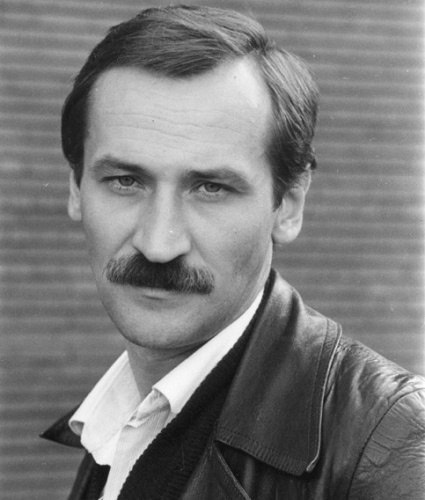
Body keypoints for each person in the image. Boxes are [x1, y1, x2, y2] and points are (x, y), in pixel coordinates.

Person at [41, 5, 425, 499]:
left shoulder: (390, 444)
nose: (158, 245)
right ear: (75, 188)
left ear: (289, 204)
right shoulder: (116, 421)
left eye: (211, 188)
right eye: (125, 181)